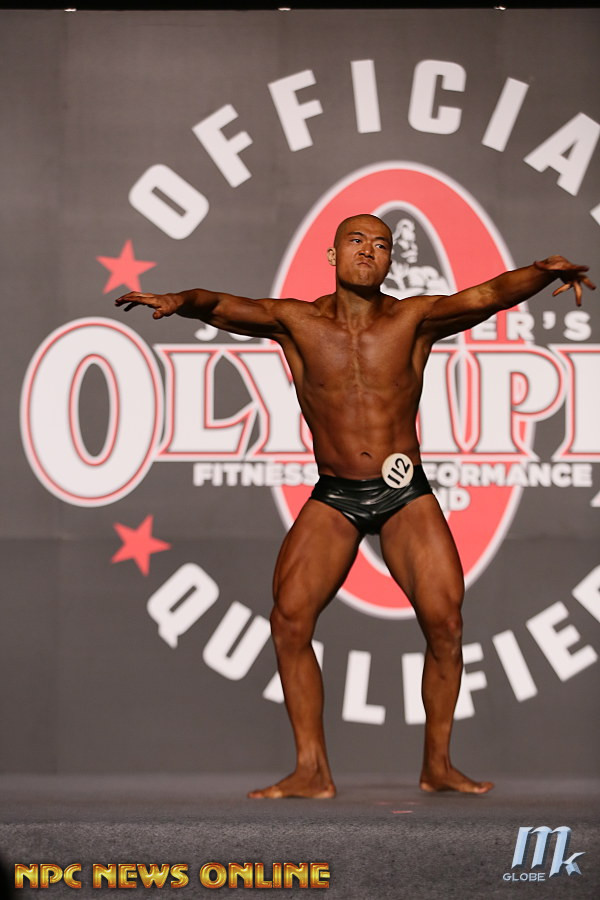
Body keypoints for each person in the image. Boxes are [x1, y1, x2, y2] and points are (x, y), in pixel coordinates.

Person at [116, 214, 595, 797]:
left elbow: (487, 295)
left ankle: (437, 765)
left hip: (403, 492)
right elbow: (220, 305)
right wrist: (180, 301)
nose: (369, 250)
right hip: (337, 493)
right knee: (289, 620)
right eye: (356, 240)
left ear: (391, 260)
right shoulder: (296, 322)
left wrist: (541, 272)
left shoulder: (413, 320)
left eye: (381, 244)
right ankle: (311, 770)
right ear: (332, 255)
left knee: (446, 623)